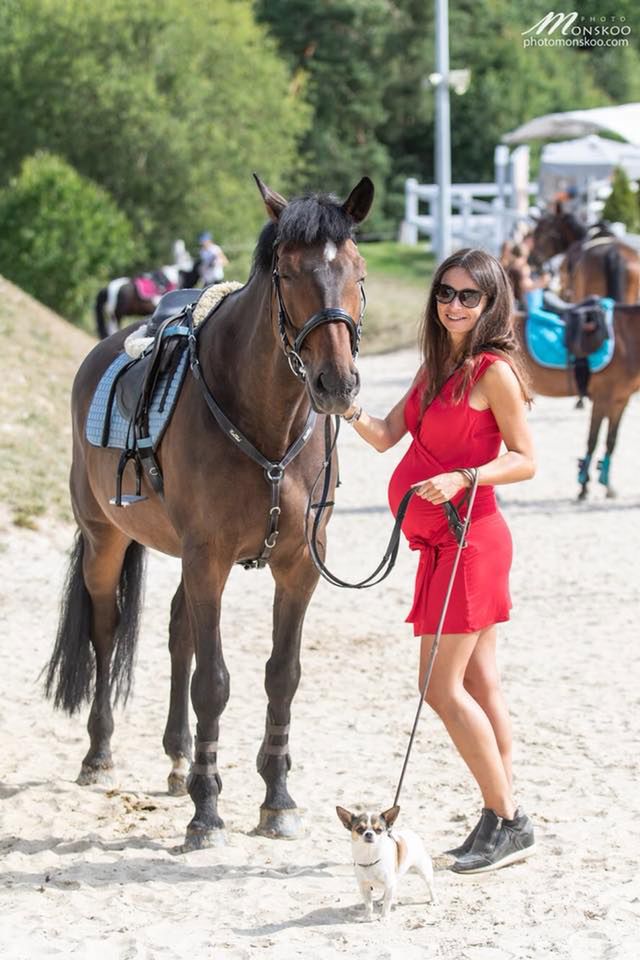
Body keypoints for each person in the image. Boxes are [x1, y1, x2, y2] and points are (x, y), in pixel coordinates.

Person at [342, 248, 537, 875]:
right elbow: (383, 434)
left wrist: (463, 476)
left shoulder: (491, 372)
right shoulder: (436, 368)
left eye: (468, 296)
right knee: (479, 684)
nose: (453, 304)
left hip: (471, 542)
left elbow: (525, 457)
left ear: (490, 303)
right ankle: (501, 810)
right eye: (445, 293)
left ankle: (508, 820)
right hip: (437, 548)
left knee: (440, 688)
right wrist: (340, 403)